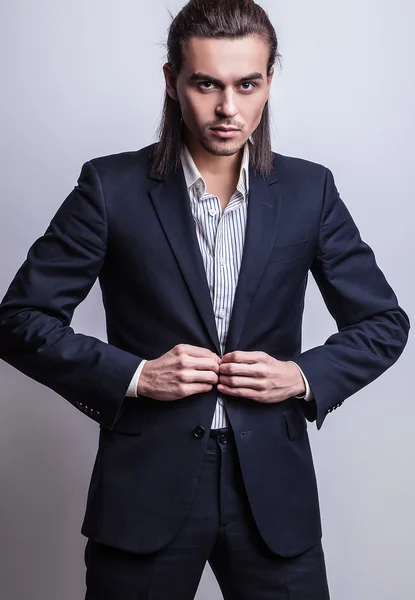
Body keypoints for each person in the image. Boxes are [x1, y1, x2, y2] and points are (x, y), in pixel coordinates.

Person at [0, 0, 410, 598]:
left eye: (247, 84)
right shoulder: (109, 188)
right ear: (172, 81)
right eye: (206, 84)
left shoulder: (309, 190)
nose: (228, 108)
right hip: (143, 494)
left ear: (270, 81)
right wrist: (137, 376)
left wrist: (300, 376)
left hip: (273, 495)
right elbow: (20, 320)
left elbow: (383, 322)